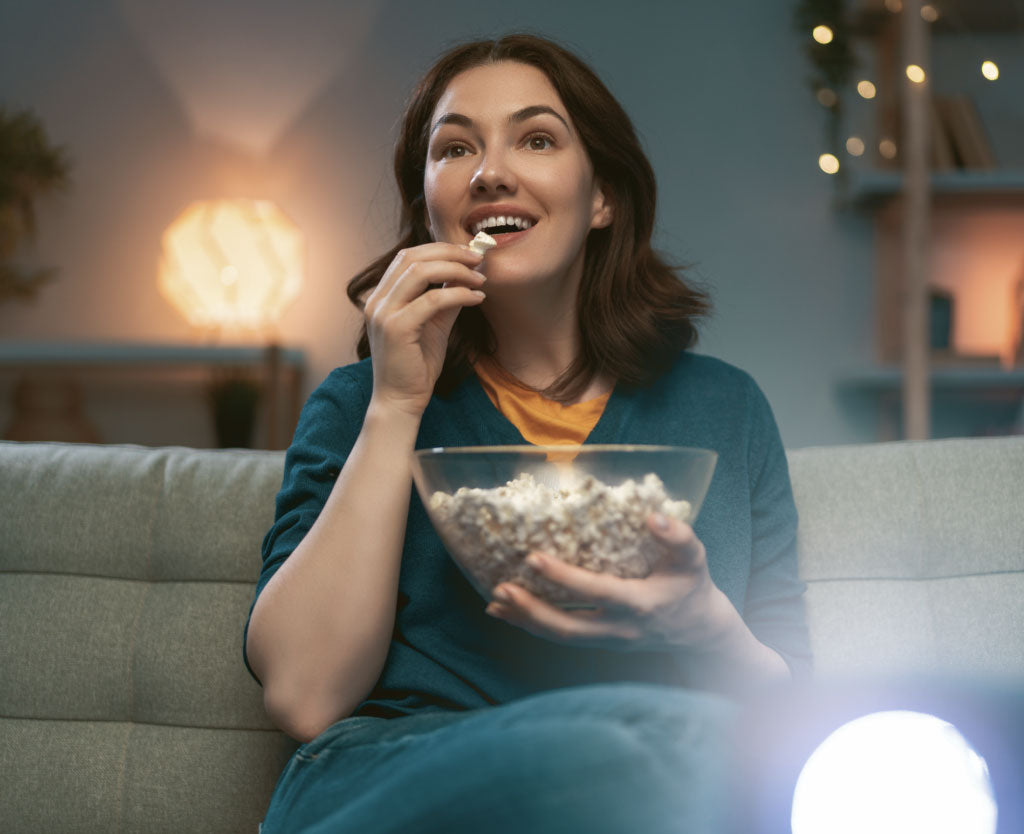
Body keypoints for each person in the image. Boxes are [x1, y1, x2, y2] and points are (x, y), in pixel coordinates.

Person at [244, 33, 811, 834]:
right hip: (398, 782)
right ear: (430, 200)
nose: (490, 172)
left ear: (603, 196)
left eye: (536, 138)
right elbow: (304, 696)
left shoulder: (727, 410)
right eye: (454, 149)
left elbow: (791, 713)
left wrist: (701, 625)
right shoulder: (358, 404)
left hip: (656, 779)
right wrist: (396, 403)